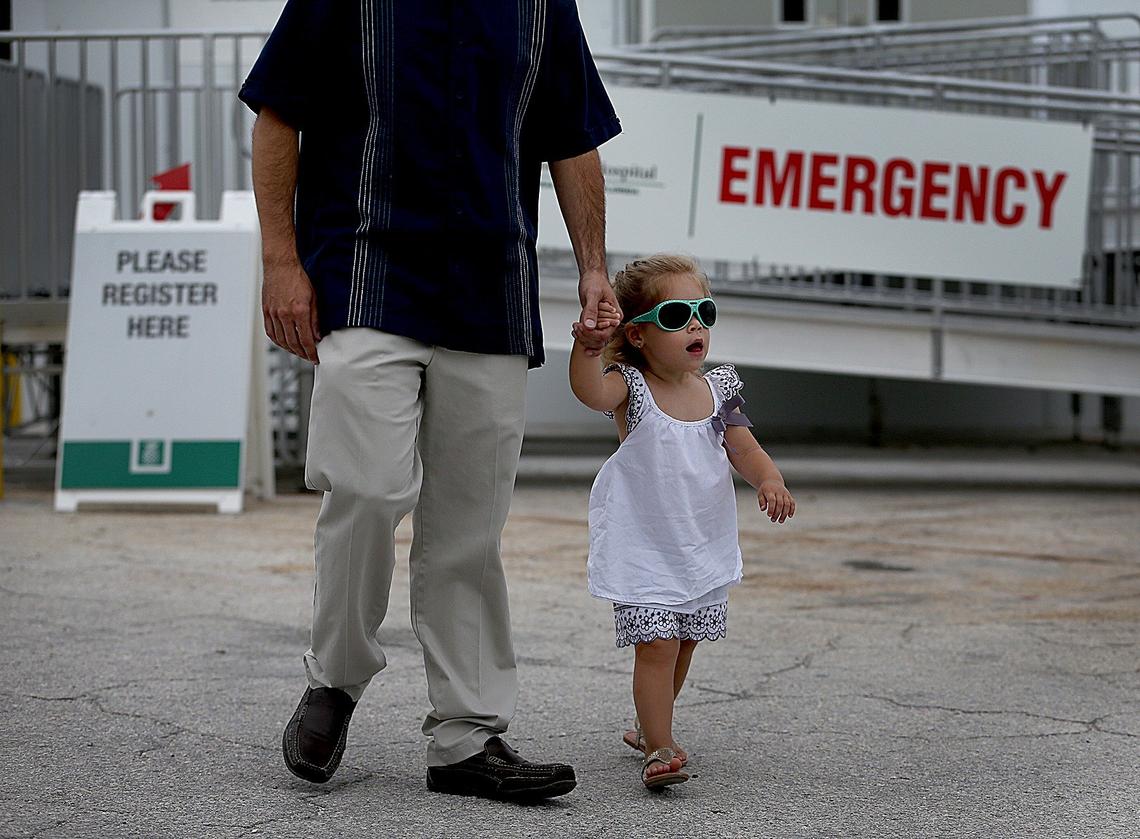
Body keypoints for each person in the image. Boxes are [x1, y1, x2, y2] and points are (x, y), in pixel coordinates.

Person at [238, 0, 621, 800]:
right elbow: (279, 115)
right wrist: (280, 260)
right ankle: (334, 680)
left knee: (469, 525)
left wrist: (594, 267)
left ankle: (466, 737)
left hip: (492, 287)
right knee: (366, 487)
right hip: (366, 271)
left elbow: (571, 133)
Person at [568, 254, 796, 790]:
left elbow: (742, 445)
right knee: (659, 645)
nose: (695, 326)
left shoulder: (717, 388)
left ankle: (651, 726)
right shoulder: (632, 388)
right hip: (645, 546)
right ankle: (660, 747)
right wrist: (587, 349)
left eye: (704, 312)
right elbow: (589, 391)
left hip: (699, 544)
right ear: (640, 335)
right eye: (676, 316)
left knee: (685, 642)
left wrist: (769, 478)